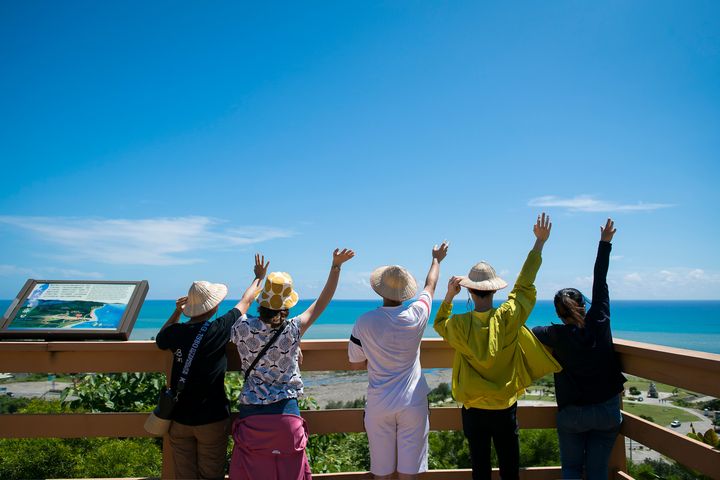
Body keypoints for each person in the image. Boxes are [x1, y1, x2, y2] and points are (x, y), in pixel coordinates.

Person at [434, 214, 561, 480]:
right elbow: (524, 285)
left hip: (473, 408)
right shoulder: (507, 317)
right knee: (509, 468)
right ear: (493, 291)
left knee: (480, 469)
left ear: (469, 292)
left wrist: (448, 295)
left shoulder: (459, 325)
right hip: (504, 406)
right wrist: (539, 243)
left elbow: (439, 322)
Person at [229, 247, 355, 480]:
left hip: (252, 419)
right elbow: (323, 301)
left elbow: (242, 304)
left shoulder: (241, 328)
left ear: (262, 302)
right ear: (286, 305)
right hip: (287, 418)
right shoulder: (294, 330)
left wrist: (257, 277)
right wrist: (336, 267)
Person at [155, 254, 270, 480]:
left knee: (184, 476)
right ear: (215, 306)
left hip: (179, 418)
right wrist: (258, 278)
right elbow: (246, 301)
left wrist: (177, 312)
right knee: (212, 474)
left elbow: (161, 339)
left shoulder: (175, 332)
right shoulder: (218, 329)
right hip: (211, 418)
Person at [532, 219, 626, 480]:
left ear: (559, 314)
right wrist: (604, 243)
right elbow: (600, 279)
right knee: (597, 472)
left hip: (572, 414)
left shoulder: (554, 334)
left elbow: (523, 331)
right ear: (582, 305)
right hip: (607, 411)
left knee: (572, 470)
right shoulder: (600, 320)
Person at [348, 241, 449, 480]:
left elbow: (354, 362)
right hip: (413, 402)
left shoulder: (364, 321)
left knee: (381, 474)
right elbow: (431, 285)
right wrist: (436, 259)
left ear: (380, 291)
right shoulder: (417, 314)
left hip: (378, 403)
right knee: (409, 474)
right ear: (405, 293)